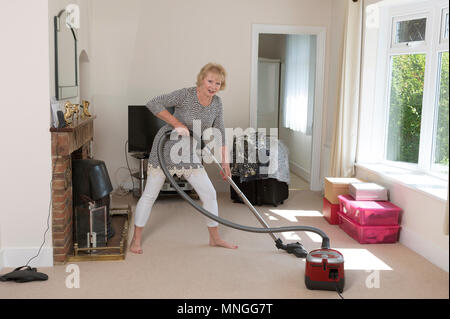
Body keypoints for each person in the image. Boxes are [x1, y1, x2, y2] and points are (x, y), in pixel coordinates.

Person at [130, 63, 238, 254]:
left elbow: (220, 131)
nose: (213, 86)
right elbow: (153, 102)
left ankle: (215, 238)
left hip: (189, 152)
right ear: (201, 79)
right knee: (150, 194)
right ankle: (136, 239)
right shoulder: (186, 94)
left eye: (218, 83)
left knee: (209, 194)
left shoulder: (217, 103)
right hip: (166, 148)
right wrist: (177, 123)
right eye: (210, 81)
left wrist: (225, 162)